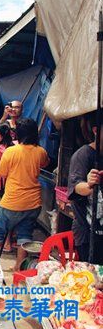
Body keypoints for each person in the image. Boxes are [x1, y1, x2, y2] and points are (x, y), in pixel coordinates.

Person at [0, 119, 49, 270]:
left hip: (12, 201)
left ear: (18, 134)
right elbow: (45, 163)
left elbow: (2, 173)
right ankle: (18, 269)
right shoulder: (41, 151)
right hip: (33, 203)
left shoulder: (11, 151)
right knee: (25, 235)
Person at [68, 113, 103, 264]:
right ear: (96, 131)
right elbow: (76, 187)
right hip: (88, 234)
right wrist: (89, 184)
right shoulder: (83, 155)